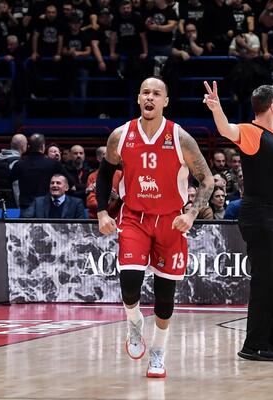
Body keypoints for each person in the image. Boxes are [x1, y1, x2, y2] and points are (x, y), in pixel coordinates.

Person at [96, 77, 213, 378]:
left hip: (171, 220)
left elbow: (208, 179)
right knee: (129, 285)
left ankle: (158, 352)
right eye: (145, 92)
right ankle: (134, 322)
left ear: (165, 101)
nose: (150, 97)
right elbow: (105, 172)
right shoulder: (120, 135)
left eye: (156, 93)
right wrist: (101, 212)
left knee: (164, 296)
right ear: (138, 98)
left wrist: (192, 213)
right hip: (134, 217)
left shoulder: (180, 137)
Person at [203, 82, 273, 361]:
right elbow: (226, 130)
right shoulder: (251, 132)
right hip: (257, 213)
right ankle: (253, 344)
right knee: (265, 279)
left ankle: (271, 339)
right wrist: (217, 109)